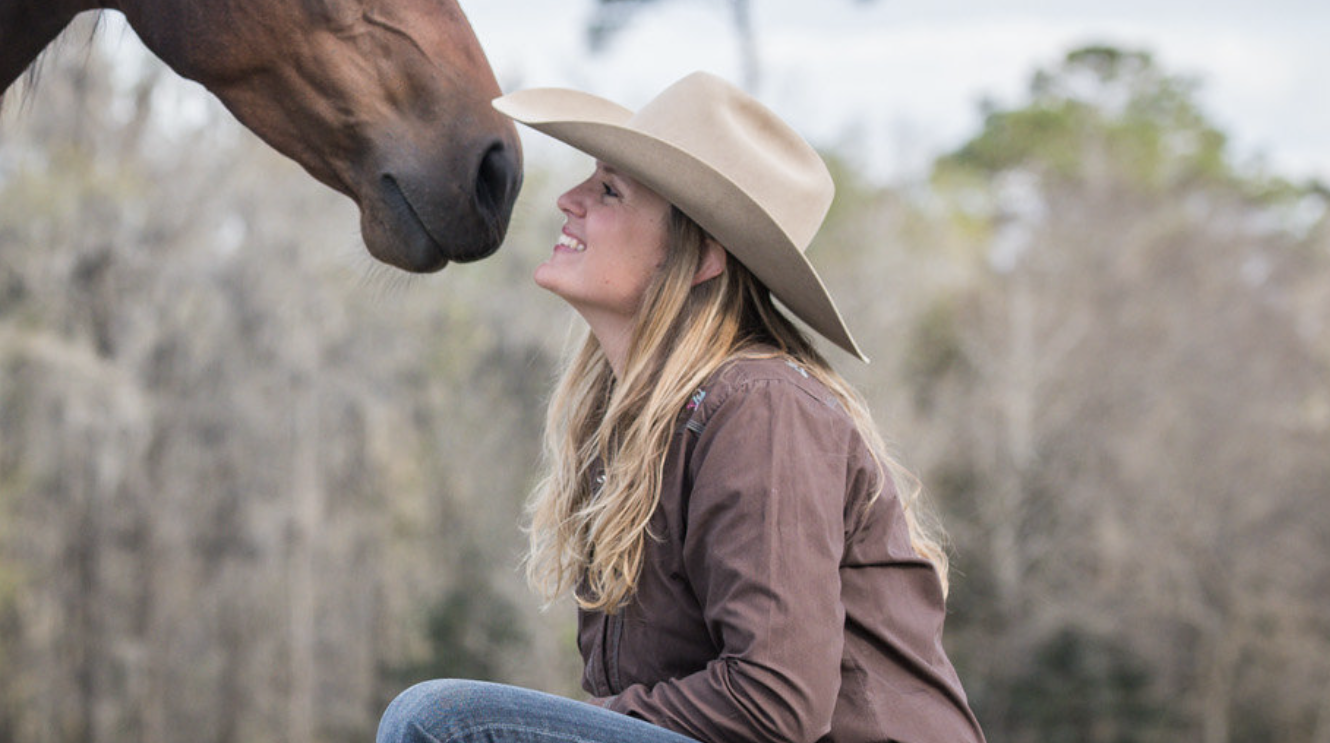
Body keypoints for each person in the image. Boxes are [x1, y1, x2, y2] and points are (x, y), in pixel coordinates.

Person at [379, 73, 984, 743]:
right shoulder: (632, 431)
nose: (568, 199)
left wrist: (569, 729)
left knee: (444, 724)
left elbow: (777, 705)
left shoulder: (763, 409)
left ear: (697, 257)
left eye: (609, 190)